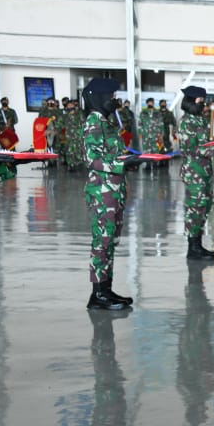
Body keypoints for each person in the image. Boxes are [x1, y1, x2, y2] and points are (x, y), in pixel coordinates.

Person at [82, 78, 136, 310]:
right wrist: (123, 163)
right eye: (112, 96)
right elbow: (92, 159)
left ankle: (106, 289)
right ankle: (97, 295)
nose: (115, 100)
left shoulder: (106, 122)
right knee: (102, 242)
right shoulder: (94, 122)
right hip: (102, 191)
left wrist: (128, 160)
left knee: (110, 241)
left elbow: (111, 154)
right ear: (100, 97)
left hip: (113, 190)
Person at [178, 85, 214, 261]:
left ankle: (198, 244)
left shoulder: (200, 120)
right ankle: (192, 247)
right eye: (200, 101)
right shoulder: (186, 122)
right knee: (195, 207)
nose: (203, 104)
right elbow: (190, 149)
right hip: (193, 171)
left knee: (205, 205)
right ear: (191, 101)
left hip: (205, 169)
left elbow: (205, 143)